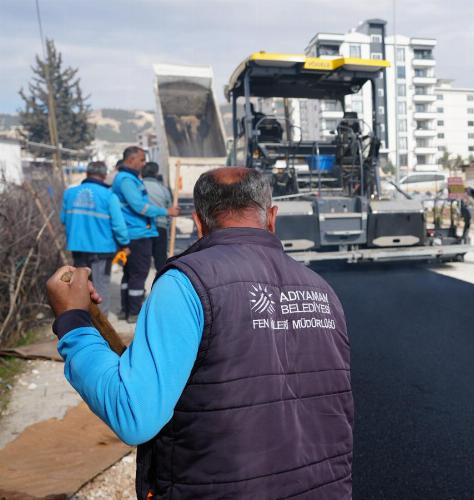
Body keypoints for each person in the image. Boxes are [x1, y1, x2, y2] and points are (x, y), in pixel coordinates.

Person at [45, 167, 353, 498]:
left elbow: (134, 414)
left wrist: (74, 322)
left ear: (199, 222)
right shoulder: (322, 292)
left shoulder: (186, 285)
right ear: (272, 217)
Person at [111, 146, 179, 322]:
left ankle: (126, 308)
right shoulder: (126, 180)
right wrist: (166, 211)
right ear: (131, 160)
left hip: (136, 233)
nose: (143, 164)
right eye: (141, 160)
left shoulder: (131, 179)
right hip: (137, 234)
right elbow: (139, 206)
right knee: (139, 274)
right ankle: (134, 312)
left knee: (129, 274)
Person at [60, 161, 129, 315]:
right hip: (102, 249)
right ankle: (101, 325)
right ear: (104, 175)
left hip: (77, 247)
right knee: (101, 286)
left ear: (87, 173)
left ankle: (82, 319)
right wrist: (125, 243)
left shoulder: (70, 193)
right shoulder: (109, 195)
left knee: (81, 285)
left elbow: (63, 219)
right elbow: (119, 226)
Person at [141, 162, 173, 272]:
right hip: (160, 227)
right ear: (155, 173)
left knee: (141, 263)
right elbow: (169, 209)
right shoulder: (163, 189)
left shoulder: (137, 186)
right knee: (160, 261)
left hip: (143, 228)